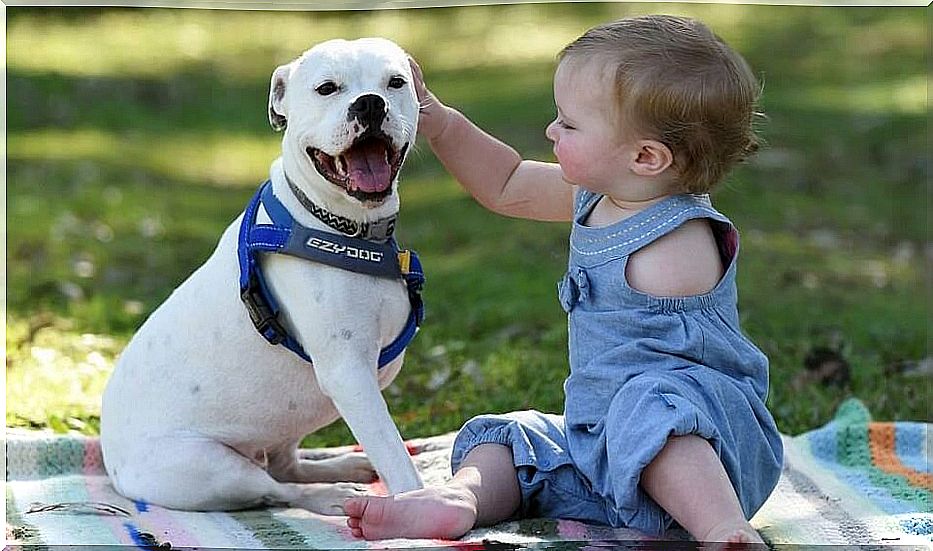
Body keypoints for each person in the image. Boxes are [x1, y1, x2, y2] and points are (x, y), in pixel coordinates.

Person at [345, 14, 783, 545]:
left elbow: (675, 374)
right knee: (510, 439)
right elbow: (504, 184)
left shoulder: (682, 238)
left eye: (569, 124)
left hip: (708, 448)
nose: (552, 131)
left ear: (645, 157)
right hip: (600, 456)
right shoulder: (601, 195)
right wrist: (438, 121)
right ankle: (460, 499)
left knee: (650, 409)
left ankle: (723, 529)